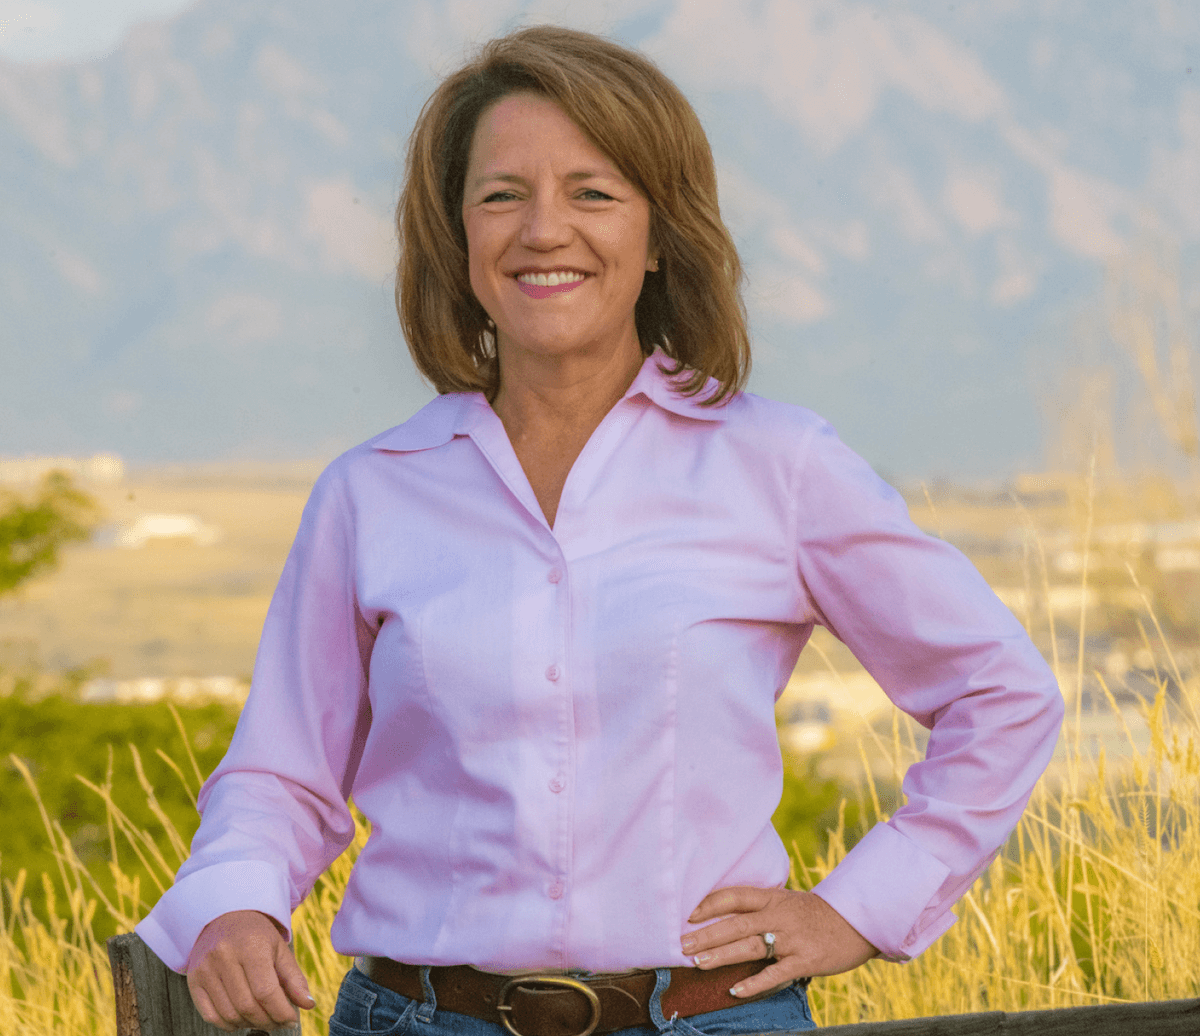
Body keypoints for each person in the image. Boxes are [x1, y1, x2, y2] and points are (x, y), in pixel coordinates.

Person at [134, 25, 1063, 1035]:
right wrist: (235, 897)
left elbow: (1000, 692)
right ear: (458, 234)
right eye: (502, 194)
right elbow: (280, 769)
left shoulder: (781, 467)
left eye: (593, 192)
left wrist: (858, 907)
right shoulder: (371, 492)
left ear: (659, 233)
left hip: (711, 1018)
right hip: (414, 1018)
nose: (544, 230)